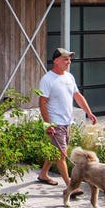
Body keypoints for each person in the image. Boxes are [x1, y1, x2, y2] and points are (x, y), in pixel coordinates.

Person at [37, 47, 97, 190]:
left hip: (67, 122)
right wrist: (47, 124)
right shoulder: (47, 79)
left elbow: (77, 96)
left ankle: (43, 174)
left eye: (69, 59)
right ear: (56, 61)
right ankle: (71, 186)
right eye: (65, 59)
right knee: (61, 155)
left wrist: (89, 112)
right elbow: (42, 102)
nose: (68, 61)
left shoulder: (69, 77)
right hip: (55, 123)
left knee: (56, 151)